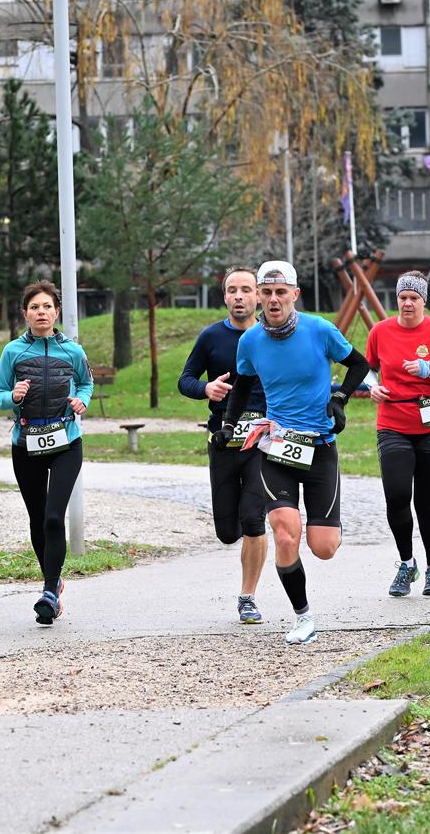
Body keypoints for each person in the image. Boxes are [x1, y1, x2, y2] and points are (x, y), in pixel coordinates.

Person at [216, 261, 371, 644]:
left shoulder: (319, 329)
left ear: (294, 294)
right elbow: (242, 386)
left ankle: (330, 528)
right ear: (259, 296)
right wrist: (229, 425)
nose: (273, 299)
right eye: (267, 292)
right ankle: (303, 618)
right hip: (277, 447)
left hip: (319, 448)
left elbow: (360, 364)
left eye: (280, 292)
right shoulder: (251, 341)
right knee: (285, 535)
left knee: (323, 547)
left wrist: (339, 399)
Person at [0, 281, 94, 625]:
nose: (41, 312)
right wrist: (13, 396)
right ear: (25, 313)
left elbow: (86, 383)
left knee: (53, 517)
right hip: (26, 444)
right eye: (34, 307)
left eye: (47, 306)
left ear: (56, 312)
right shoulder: (13, 351)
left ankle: (50, 592)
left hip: (66, 442)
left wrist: (82, 400)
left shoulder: (73, 351)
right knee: (38, 519)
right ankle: (53, 580)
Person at [179, 266, 271, 624]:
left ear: (258, 296)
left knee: (253, 519)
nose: (239, 296)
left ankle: (248, 597)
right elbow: (185, 380)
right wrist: (206, 388)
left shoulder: (272, 335)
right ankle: (243, 546)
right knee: (228, 531)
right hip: (222, 440)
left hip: (263, 442)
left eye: (246, 289)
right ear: (225, 297)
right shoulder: (211, 337)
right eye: (232, 290)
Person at [367, 271, 430, 598]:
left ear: (424, 301)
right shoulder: (381, 331)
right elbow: (367, 369)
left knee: (426, 504)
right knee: (396, 496)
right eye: (402, 297)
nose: (407, 303)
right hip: (393, 423)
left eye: (414, 298)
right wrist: (372, 386)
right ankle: (407, 564)